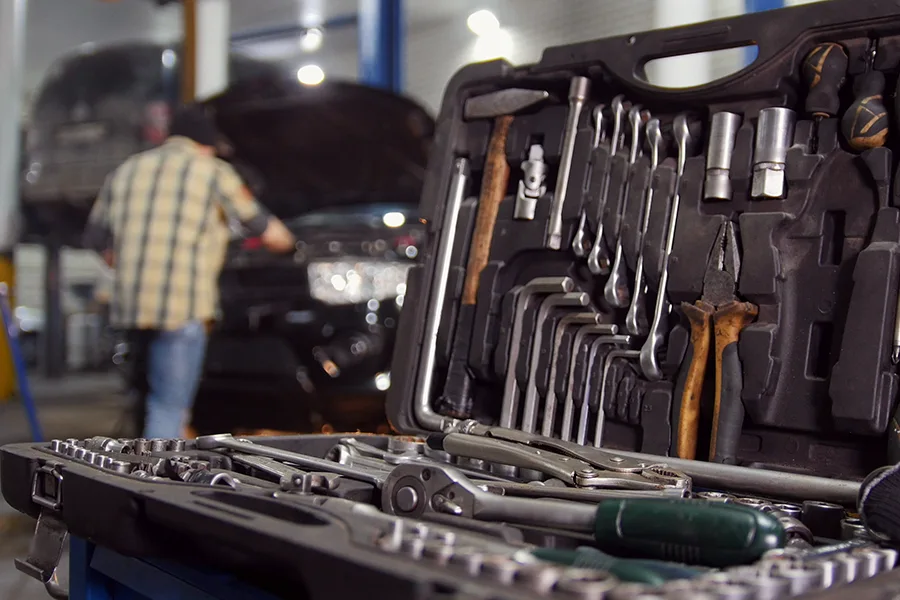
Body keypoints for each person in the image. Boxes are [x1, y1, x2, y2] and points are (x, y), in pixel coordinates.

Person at [83, 105, 295, 438]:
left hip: (130, 308)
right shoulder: (212, 171)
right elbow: (265, 229)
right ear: (205, 143)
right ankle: (157, 469)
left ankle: (153, 452)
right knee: (168, 407)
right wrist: (292, 245)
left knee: (146, 400)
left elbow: (95, 238)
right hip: (180, 309)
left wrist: (130, 262)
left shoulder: (127, 169)